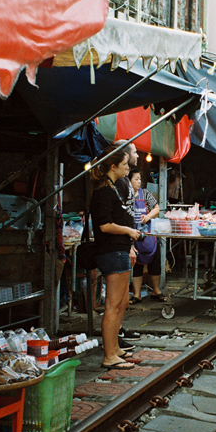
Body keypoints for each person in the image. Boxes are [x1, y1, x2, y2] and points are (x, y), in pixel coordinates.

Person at [89, 149, 141, 369]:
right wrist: (129, 231)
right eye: (125, 165)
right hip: (111, 250)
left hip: (119, 250)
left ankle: (115, 349)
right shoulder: (103, 192)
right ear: (113, 166)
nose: (127, 168)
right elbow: (104, 225)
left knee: (122, 302)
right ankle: (109, 355)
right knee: (112, 304)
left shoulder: (113, 189)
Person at [128, 168, 166, 303]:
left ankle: (156, 291)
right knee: (137, 265)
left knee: (155, 263)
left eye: (140, 179)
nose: (139, 182)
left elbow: (156, 208)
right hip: (134, 235)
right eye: (136, 179)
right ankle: (137, 294)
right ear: (129, 180)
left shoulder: (145, 193)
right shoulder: (126, 195)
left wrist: (148, 216)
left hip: (149, 235)